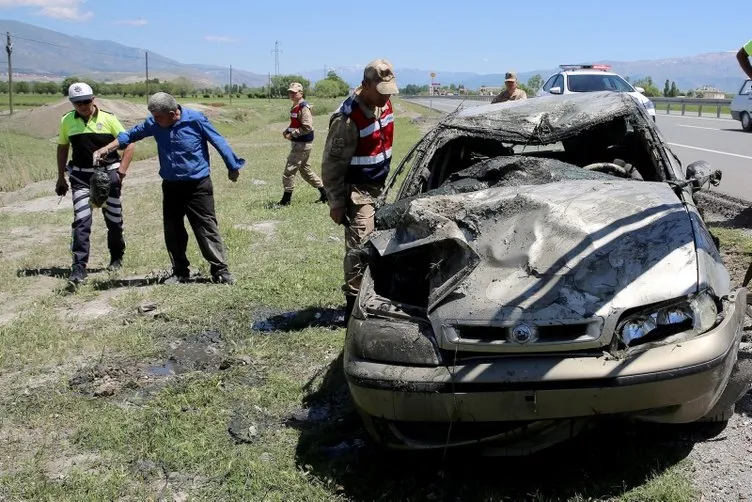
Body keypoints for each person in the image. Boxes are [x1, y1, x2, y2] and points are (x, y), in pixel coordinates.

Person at [93, 92, 244, 285]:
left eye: (158, 117)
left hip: (197, 185)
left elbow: (218, 141)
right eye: (153, 117)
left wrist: (232, 166)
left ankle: (220, 270)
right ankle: (180, 271)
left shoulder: (195, 120)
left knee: (206, 228)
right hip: (171, 186)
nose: (154, 121)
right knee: (173, 230)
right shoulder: (154, 124)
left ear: (173, 113)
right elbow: (129, 135)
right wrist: (107, 148)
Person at [321, 59, 398, 321]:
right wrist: (336, 203)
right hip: (358, 191)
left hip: (380, 186)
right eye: (381, 91)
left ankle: (375, 293)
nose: (386, 97)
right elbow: (332, 165)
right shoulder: (347, 119)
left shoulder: (382, 101)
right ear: (365, 85)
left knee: (380, 242)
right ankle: (353, 307)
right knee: (360, 247)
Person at [56, 82, 135, 286]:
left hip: (109, 176)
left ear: (93, 99)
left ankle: (116, 257)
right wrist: (60, 177)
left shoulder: (109, 119)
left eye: (85, 101)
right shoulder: (66, 121)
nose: (82, 105)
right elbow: (63, 147)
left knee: (114, 221)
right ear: (72, 103)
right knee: (81, 221)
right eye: (77, 102)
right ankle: (79, 267)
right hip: (81, 177)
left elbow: (129, 144)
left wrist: (121, 172)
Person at [278, 82, 327, 206]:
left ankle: (285, 201)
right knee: (305, 171)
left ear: (301, 93)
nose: (291, 94)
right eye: (290, 92)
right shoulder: (296, 106)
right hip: (300, 144)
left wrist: (292, 134)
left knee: (289, 171)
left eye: (294, 92)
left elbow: (307, 126)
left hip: (302, 145)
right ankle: (325, 193)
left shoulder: (303, 107)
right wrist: (287, 131)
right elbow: (295, 123)